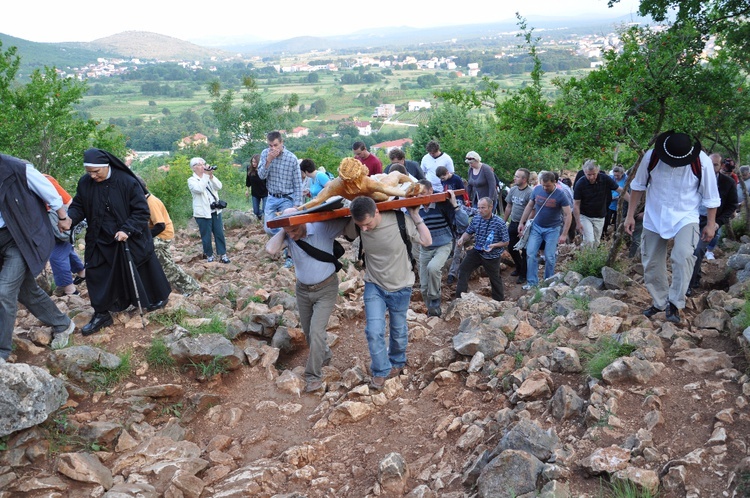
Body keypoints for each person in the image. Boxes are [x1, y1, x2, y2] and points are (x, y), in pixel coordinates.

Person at [68, 148, 171, 336]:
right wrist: (69, 219)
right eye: (89, 172)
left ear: (106, 167)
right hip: (98, 237)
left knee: (140, 268)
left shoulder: (127, 182)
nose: (92, 176)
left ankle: (156, 298)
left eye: (96, 172)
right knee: (95, 273)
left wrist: (127, 229)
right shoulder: (85, 183)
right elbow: (78, 205)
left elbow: (141, 212)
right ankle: (101, 313)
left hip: (127, 237)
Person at [624, 131, 720, 324]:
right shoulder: (651, 157)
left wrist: (710, 224)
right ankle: (660, 302)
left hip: (686, 216)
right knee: (651, 261)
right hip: (654, 215)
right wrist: (629, 216)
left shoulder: (702, 162)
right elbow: (638, 186)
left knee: (683, 256)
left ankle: (676, 302)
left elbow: (711, 196)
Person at [345, 196, 432, 390]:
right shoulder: (359, 223)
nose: (364, 229)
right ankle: (381, 370)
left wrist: (415, 214)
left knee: (398, 329)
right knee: (374, 331)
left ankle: (398, 361)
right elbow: (342, 231)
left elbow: (427, 240)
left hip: (401, 285)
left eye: (367, 224)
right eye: (361, 226)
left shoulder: (400, 220)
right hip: (374, 284)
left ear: (376, 212)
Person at [0, 154, 76, 357]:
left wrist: (62, 217)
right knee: (26, 291)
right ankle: (63, 323)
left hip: (20, 239)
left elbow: (49, 191)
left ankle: (2, 353)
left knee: (4, 292)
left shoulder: (16, 168)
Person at [266, 209, 348, 393]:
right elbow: (271, 249)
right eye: (289, 232)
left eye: (294, 230)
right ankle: (324, 354)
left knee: (316, 331)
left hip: (326, 288)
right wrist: (284, 229)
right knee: (308, 332)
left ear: (304, 222)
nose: (292, 235)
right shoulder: (288, 235)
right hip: (302, 290)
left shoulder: (322, 227)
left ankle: (313, 375)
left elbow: (348, 224)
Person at [138, 177, 201, 297]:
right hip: (164, 232)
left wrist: (145, 237)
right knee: (165, 262)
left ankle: (191, 287)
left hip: (163, 234)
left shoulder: (151, 202)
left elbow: (160, 226)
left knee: (165, 265)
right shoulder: (147, 200)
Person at [416, 180, 469, 316]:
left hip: (443, 244)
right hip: (425, 248)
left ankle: (435, 299)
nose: (420, 197)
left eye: (423, 193)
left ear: (430, 191)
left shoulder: (442, 204)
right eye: (417, 193)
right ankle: (433, 311)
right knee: (423, 288)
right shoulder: (415, 208)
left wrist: (455, 205)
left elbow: (464, 222)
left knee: (433, 268)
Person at [687, 155, 737, 294]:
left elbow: (731, 205)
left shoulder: (728, 183)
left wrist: (717, 223)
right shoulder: (695, 178)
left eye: (715, 165)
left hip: (712, 221)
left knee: (698, 250)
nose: (711, 167)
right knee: (687, 250)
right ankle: (694, 278)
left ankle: (689, 286)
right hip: (692, 218)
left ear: (721, 166)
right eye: (708, 164)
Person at [519, 171, 572, 289]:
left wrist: (564, 234)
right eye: (543, 185)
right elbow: (529, 206)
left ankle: (548, 281)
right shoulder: (537, 190)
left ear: (554, 183)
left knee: (549, 256)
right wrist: (522, 222)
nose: (545, 188)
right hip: (537, 227)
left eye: (547, 186)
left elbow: (568, 214)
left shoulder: (560, 195)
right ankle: (532, 282)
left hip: (553, 229)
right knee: (531, 253)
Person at [455, 196, 509, 302]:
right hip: (477, 250)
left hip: (492, 255)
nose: (480, 210)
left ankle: (499, 301)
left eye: (483, 208)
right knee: (463, 269)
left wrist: (494, 245)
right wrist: (462, 239)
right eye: (479, 208)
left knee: (494, 278)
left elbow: (506, 241)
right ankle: (460, 298)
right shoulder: (476, 218)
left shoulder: (499, 222)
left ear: (491, 207)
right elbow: (469, 232)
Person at [43, 173, 86, 297]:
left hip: (60, 222)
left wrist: (66, 220)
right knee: (65, 248)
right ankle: (82, 272)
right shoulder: (39, 179)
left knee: (56, 254)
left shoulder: (44, 180)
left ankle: (70, 289)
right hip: (55, 222)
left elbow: (68, 202)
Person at [573, 160, 627, 247]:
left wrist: (632, 201)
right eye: (588, 174)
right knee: (589, 240)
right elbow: (576, 204)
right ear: (584, 172)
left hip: (600, 216)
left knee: (596, 242)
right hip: (585, 216)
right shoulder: (580, 184)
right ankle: (585, 258)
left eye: (594, 174)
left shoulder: (605, 179)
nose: (591, 177)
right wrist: (578, 222)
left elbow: (620, 190)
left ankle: (591, 259)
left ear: (598, 171)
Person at [258, 131, 302, 236]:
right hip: (272, 197)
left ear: (282, 142)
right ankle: (284, 239)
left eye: (275, 145)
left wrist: (297, 204)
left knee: (288, 225)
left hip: (287, 198)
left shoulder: (292, 158)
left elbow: (298, 183)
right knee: (268, 228)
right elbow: (261, 176)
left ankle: (288, 249)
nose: (273, 148)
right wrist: (268, 161)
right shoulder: (265, 154)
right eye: (270, 145)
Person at [188, 157, 230, 264]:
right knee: (206, 235)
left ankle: (222, 254)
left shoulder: (208, 177)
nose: (203, 166)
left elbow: (219, 186)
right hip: (202, 213)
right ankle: (209, 255)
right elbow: (199, 189)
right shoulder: (192, 180)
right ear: (194, 168)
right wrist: (206, 176)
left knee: (219, 233)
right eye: (200, 164)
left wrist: (211, 176)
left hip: (215, 211)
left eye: (204, 164)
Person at [503, 168, 533, 284]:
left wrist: (525, 225)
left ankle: (523, 274)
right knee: (511, 247)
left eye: (517, 176)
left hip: (525, 224)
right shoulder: (513, 189)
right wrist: (504, 221)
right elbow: (509, 206)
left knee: (525, 251)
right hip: (513, 222)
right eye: (515, 175)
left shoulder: (530, 192)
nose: (514, 178)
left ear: (524, 179)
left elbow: (532, 210)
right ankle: (519, 267)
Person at [603, 165, 628, 236]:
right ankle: (604, 234)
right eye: (615, 175)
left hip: (620, 204)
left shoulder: (626, 180)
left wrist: (618, 197)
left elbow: (626, 191)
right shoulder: (611, 178)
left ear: (622, 174)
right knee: (606, 220)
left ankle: (616, 235)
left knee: (617, 221)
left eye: (618, 175)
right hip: (610, 203)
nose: (616, 177)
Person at [245, 154, 267, 221]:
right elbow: (248, 180)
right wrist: (247, 190)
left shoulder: (263, 170)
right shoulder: (249, 169)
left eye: (255, 162)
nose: (253, 163)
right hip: (255, 193)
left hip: (265, 192)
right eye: (252, 162)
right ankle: (260, 218)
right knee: (256, 211)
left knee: (264, 210)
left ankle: (264, 222)